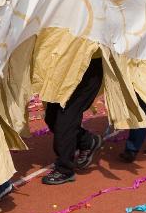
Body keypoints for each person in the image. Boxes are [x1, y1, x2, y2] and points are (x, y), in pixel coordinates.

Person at [41, 56, 104, 185]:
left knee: (66, 117)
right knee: (52, 117)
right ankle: (88, 141)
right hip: (63, 69)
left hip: (86, 70)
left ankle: (65, 169)